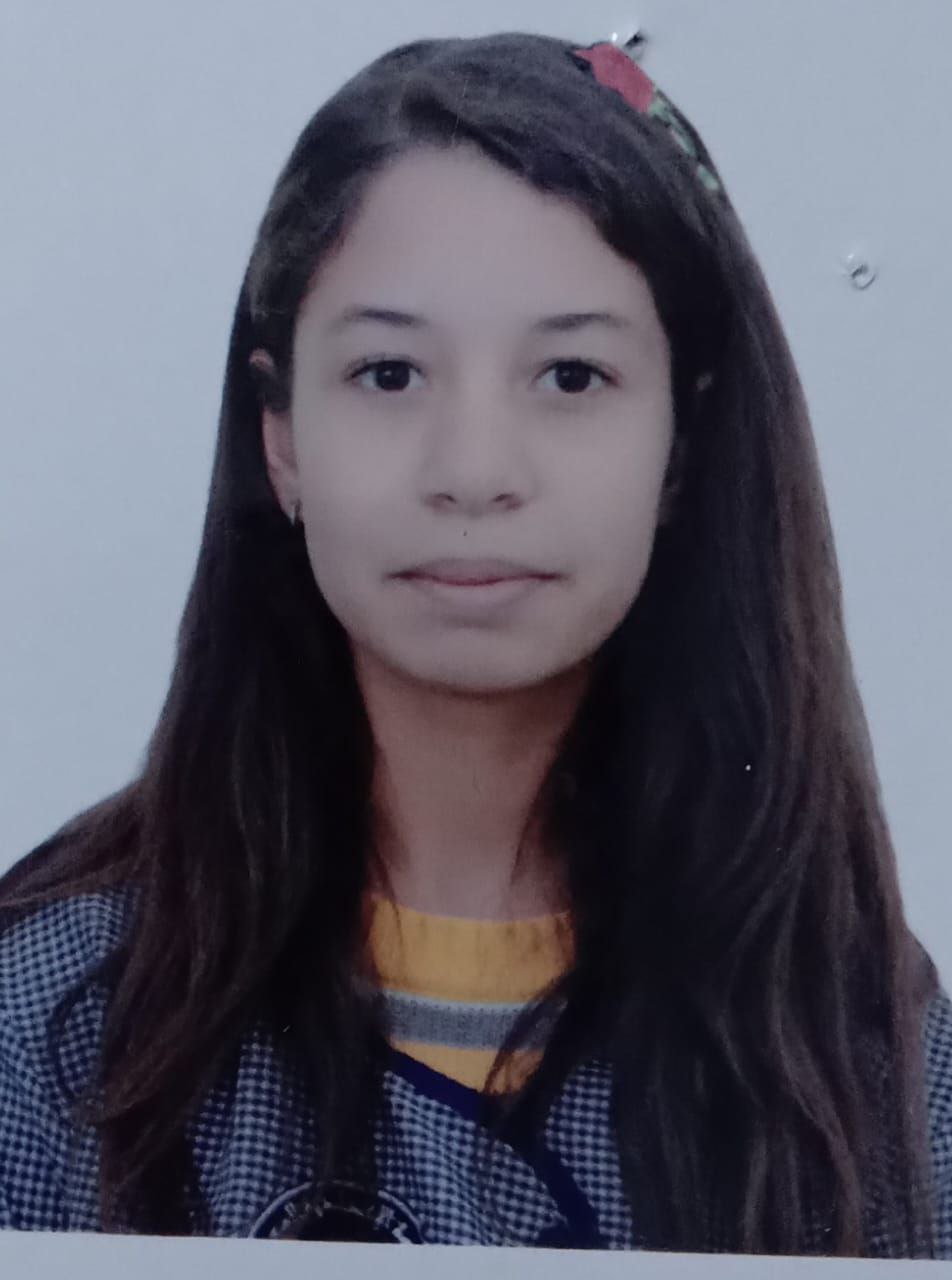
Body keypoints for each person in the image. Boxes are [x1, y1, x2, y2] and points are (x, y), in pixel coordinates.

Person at [0, 30, 949, 1258]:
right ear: (282, 437)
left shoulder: (873, 1072)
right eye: (390, 372)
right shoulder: (49, 1026)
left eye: (570, 375)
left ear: (683, 440)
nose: (474, 470)